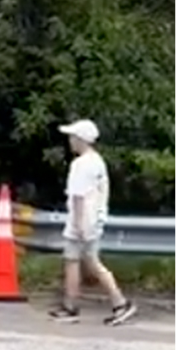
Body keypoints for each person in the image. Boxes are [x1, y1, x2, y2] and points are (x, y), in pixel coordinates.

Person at [50, 119, 138, 326]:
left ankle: (119, 303)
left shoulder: (80, 165)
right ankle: (71, 305)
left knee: (88, 263)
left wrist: (79, 225)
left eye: (73, 137)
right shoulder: (97, 162)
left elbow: (78, 196)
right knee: (77, 261)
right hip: (93, 219)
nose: (70, 141)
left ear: (81, 140)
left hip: (81, 221)